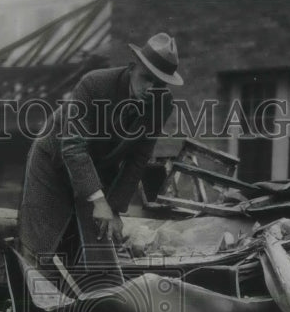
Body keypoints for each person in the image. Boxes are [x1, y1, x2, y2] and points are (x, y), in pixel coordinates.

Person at [17, 32, 182, 290]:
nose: (152, 89)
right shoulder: (93, 84)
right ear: (132, 67)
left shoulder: (161, 105)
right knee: (43, 242)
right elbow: (72, 147)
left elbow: (139, 159)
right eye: (147, 79)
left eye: (160, 84)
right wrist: (99, 200)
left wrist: (113, 207)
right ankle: (34, 303)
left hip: (94, 166)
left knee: (96, 241)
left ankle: (86, 305)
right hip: (53, 161)